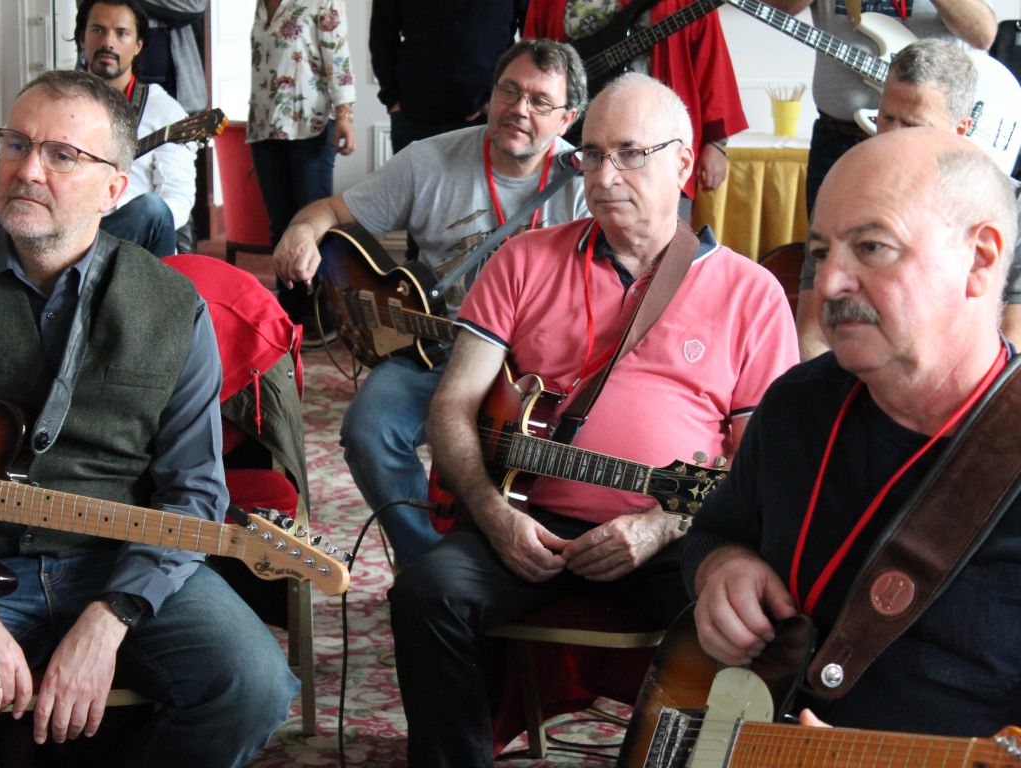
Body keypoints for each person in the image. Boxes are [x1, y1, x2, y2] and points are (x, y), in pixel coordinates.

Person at [0, 70, 296, 767]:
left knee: (253, 687)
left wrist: (112, 614)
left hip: (116, 561)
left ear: (114, 189)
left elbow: (193, 490)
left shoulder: (173, 309)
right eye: (16, 144)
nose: (27, 170)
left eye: (62, 155)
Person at [389, 73, 799, 767]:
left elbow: (759, 463)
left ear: (683, 163)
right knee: (425, 594)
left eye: (630, 154)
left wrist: (658, 526)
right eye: (593, 155)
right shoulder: (523, 259)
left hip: (675, 535)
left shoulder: (750, 292)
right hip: (525, 520)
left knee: (753, 626)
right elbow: (453, 405)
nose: (604, 178)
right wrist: (492, 514)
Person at [684, 127, 1019, 736]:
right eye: (820, 252)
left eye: (871, 247)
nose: (829, 283)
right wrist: (720, 569)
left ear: (979, 259)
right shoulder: (794, 405)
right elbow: (714, 532)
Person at [273, 39, 592, 569]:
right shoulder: (429, 160)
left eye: (540, 101)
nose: (519, 108)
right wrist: (302, 231)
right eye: (509, 91)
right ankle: (429, 564)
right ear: (490, 95)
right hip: (441, 348)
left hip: (544, 365)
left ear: (567, 118)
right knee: (368, 431)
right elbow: (330, 210)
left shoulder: (585, 182)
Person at [794, 38, 1021, 359]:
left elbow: (1015, 340)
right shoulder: (841, 195)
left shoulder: (1010, 206)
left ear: (961, 129)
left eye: (914, 125)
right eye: (886, 118)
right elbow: (813, 335)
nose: (892, 136)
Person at [0, 0, 196, 257]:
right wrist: (18, 191)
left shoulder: (165, 110)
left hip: (126, 244)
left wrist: (108, 214)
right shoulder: (52, 97)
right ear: (81, 38)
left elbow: (178, 200)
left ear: (138, 45)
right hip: (50, 229)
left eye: (121, 33)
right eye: (98, 30)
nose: (108, 42)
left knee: (152, 209)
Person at [765, 0, 997, 219]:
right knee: (828, 239)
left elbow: (983, 34)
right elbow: (775, 8)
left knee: (924, 239)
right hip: (838, 139)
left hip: (926, 147)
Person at [524, 0, 748, 213]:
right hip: (569, 138)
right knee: (559, 229)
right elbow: (532, 60)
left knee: (655, 230)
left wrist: (715, 144)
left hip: (655, 139)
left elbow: (711, 65)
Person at [248, 0, 356, 343]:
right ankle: (291, 310)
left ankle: (325, 312)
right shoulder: (260, 5)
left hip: (310, 125)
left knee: (315, 225)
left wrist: (345, 116)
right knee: (280, 224)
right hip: (265, 128)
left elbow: (337, 57)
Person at [370, 0, 526, 155]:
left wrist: (504, 97)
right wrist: (392, 98)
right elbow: (382, 34)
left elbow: (532, 36)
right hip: (414, 116)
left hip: (489, 115)